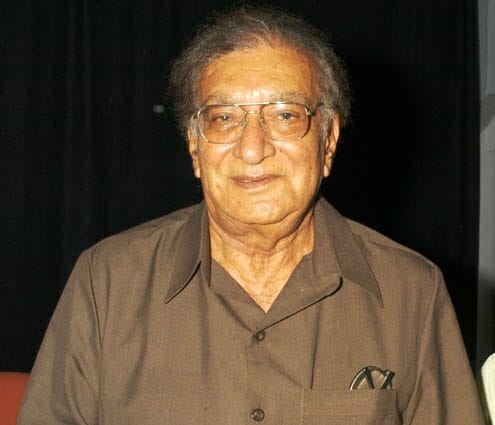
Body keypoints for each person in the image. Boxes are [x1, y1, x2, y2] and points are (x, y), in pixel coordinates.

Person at [17, 6, 484, 425]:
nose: (253, 148)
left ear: (327, 142)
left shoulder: (411, 292)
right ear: (194, 146)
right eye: (224, 118)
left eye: (285, 115)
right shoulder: (107, 283)